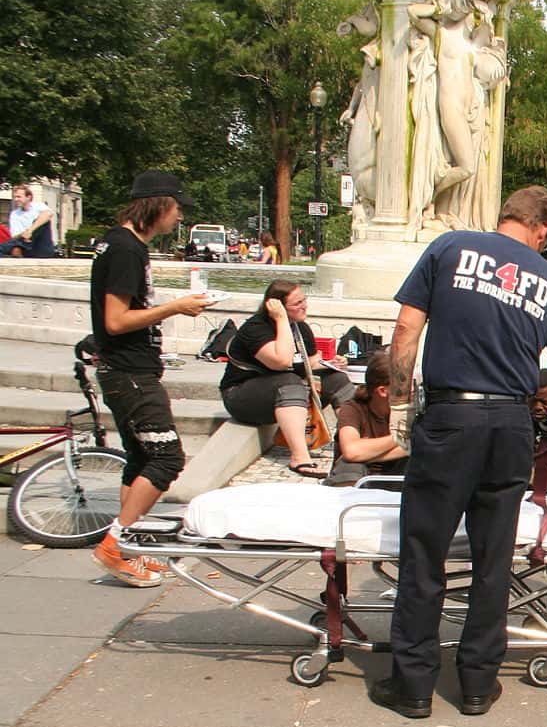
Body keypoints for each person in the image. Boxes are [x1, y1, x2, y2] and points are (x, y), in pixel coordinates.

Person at [372, 185, 547, 720]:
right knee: (493, 560)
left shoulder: (450, 248)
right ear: (542, 229)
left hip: (451, 416)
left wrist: (399, 404)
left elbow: (405, 329)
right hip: (511, 424)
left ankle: (414, 685)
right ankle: (476, 683)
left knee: (425, 553)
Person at [89, 171, 212, 586]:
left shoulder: (117, 243)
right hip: (131, 373)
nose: (178, 217)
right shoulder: (126, 250)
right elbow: (116, 319)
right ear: (158, 205)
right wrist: (176, 307)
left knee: (141, 458)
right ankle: (115, 542)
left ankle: (128, 548)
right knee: (167, 458)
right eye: (177, 208)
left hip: (124, 370)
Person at [220, 281, 355, 478]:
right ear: (276, 306)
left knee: (337, 379)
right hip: (242, 396)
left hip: (286, 395)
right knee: (289, 381)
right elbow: (281, 362)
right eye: (297, 303)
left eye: (304, 300)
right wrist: (281, 320)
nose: (304, 306)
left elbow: (309, 363)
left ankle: (353, 443)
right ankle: (300, 458)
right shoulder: (255, 328)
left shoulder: (300, 329)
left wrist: (331, 363)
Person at [323, 351, 409, 486]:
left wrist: (367, 452)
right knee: (350, 465)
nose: (412, 390)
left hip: (396, 476)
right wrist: (399, 437)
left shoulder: (411, 411)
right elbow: (352, 451)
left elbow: (417, 447)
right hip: (358, 478)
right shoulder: (353, 409)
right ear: (382, 391)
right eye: (405, 384)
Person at [2, 184, 56, 258]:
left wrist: (30, 231)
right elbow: (15, 236)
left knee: (43, 222)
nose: (16, 199)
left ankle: (19, 247)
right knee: (4, 247)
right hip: (25, 245)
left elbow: (48, 214)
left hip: (41, 247)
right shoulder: (14, 214)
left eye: (18, 197)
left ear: (28, 197)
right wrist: (25, 235)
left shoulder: (38, 206)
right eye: (14, 197)